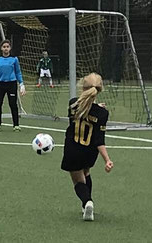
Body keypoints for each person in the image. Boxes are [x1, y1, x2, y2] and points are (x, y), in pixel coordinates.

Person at [61, 72, 113, 221]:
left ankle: (87, 202)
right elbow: (99, 140)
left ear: (83, 87)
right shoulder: (103, 113)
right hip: (90, 151)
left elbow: (83, 109)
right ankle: (86, 206)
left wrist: (94, 106)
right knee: (86, 173)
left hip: (73, 148)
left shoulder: (72, 104)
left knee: (78, 181)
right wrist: (107, 160)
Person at [0, 39, 26, 132]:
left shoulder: (14, 59)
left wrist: (21, 84)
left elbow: (18, 72)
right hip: (0, 84)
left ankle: (16, 125)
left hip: (12, 84)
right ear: (1, 48)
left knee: (13, 104)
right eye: (4, 47)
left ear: (10, 48)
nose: (6, 49)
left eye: (7, 47)